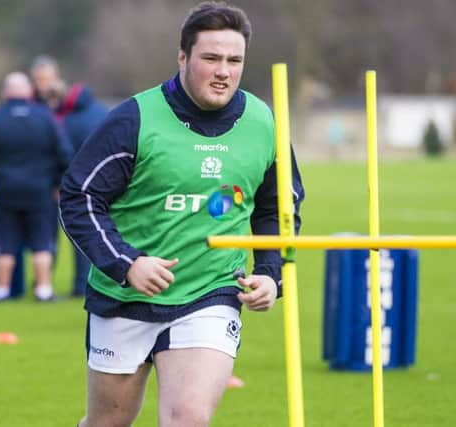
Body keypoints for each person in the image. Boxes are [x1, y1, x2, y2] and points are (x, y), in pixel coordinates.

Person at [59, 2, 304, 426]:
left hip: (211, 292)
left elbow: (278, 207)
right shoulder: (135, 118)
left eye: (234, 60)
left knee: (188, 417)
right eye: (211, 58)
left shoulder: (263, 121)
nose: (223, 71)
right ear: (183, 58)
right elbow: (78, 197)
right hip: (127, 296)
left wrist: (270, 271)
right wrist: (127, 263)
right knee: (107, 422)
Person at [0, 72, 73, 301]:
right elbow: (65, 155)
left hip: (6, 191)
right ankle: (43, 290)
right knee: (42, 241)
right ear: (28, 91)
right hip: (40, 190)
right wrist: (58, 183)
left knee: (4, 241)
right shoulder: (46, 118)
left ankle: (2, 290)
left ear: (5, 92)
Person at [59, 83, 110, 296]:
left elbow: (63, 153)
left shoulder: (67, 121)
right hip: (111, 181)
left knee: (83, 232)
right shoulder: (104, 113)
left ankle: (81, 284)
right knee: (108, 232)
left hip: (80, 185)